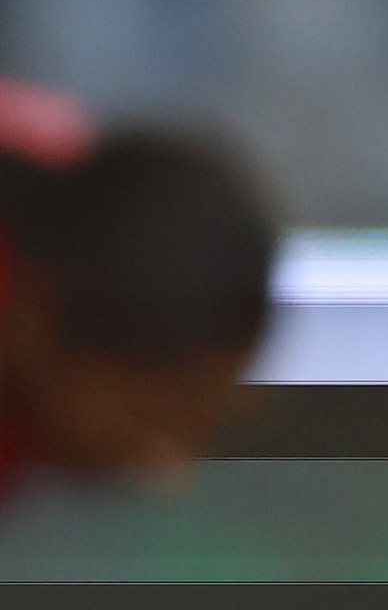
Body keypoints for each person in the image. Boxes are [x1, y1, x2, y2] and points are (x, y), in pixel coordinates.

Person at [0, 85, 281, 499]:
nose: (166, 470)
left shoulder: (66, 194)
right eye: (147, 417)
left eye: (198, 426)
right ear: (33, 319)